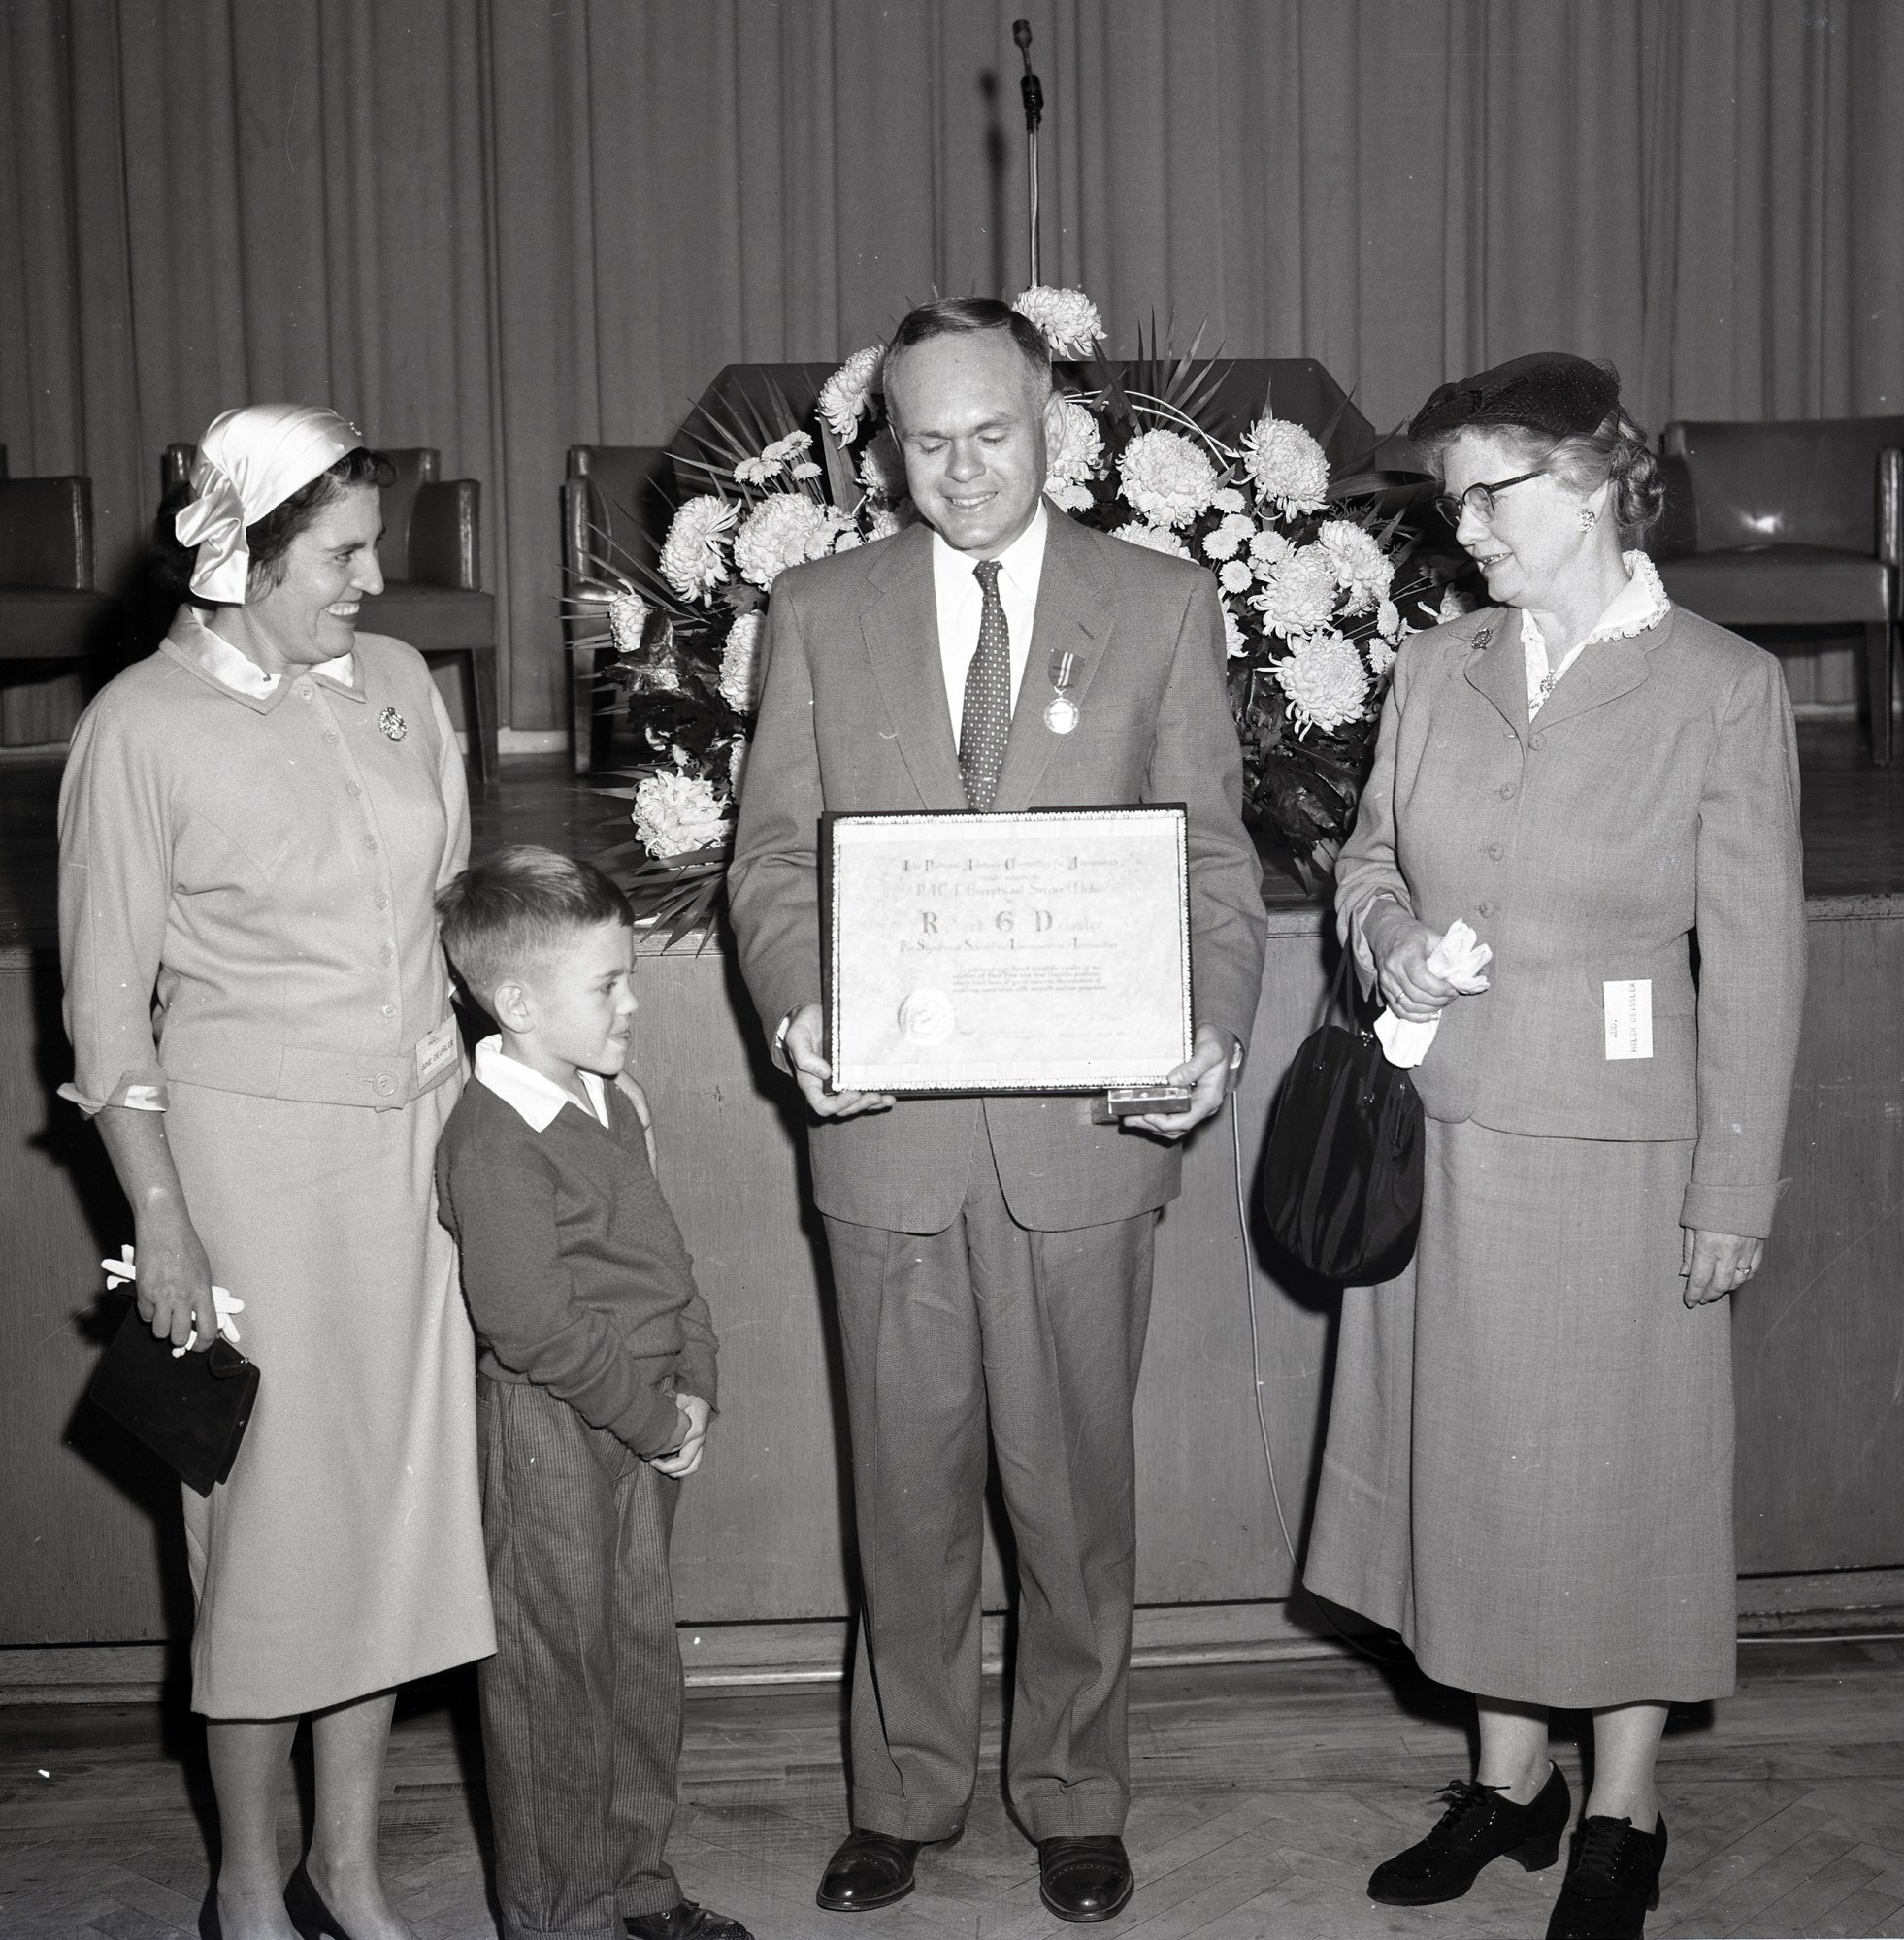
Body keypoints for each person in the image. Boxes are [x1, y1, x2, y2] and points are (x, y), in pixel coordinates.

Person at [726, 297, 1266, 1923]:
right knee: (899, 1491)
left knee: (1072, 1494)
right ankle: (901, 1787)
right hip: (884, 1128)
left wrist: (1214, 1028)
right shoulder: (817, 606)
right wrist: (796, 1008)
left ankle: (1076, 1789)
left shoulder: (1159, 604)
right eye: (925, 438)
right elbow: (767, 857)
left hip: (1084, 1130)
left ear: (1052, 427)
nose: (960, 470)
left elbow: (1214, 868)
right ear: (883, 442)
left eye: (992, 434)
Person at [1304, 353, 1807, 1940]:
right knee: (1474, 1476)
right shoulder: (1437, 661)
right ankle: (1504, 1779)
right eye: (1449, 496)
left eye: (1487, 492)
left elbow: (1760, 960)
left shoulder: (1718, 686)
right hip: (1443, 1131)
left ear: (1591, 481)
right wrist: (1383, 939)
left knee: (1618, 1483)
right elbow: (1365, 856)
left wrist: (1731, 1184)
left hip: (1617, 1151)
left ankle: (1623, 1802)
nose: (1460, 529)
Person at [57, 404, 495, 1940]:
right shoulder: (137, 729)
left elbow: (457, 908)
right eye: (344, 553)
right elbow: (107, 1018)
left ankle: (349, 1865)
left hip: (413, 1156)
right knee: (262, 1543)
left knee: (385, 1521)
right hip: (250, 1179)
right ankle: (248, 1883)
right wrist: (161, 1221)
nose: (375, 581)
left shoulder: (395, 684)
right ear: (238, 553)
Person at [433, 846, 750, 1940]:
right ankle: (561, 1915)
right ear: (516, 1001)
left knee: (635, 1664)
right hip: (553, 1432)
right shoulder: (493, 1142)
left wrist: (695, 1376)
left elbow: (664, 1258)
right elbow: (531, 1325)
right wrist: (656, 1413)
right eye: (606, 984)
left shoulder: (608, 1100)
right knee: (550, 1684)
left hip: (639, 1420)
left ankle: (636, 1886)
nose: (631, 1002)